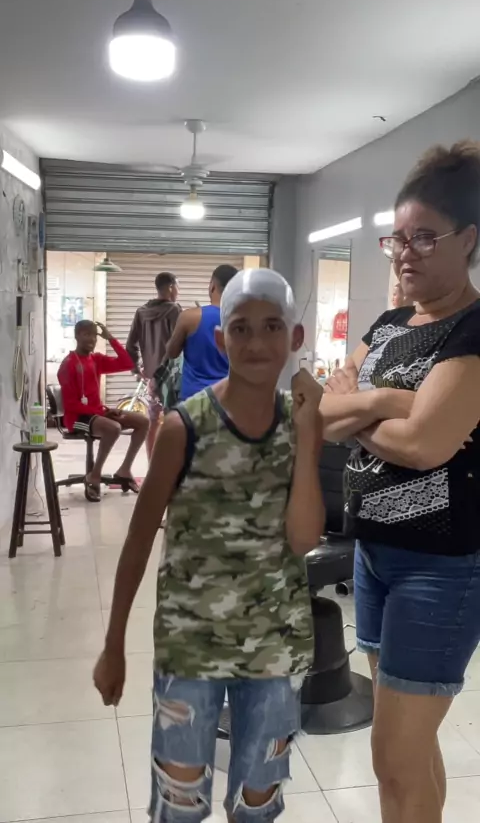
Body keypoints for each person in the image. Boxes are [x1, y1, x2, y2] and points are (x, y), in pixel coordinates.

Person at [93, 268, 324, 823]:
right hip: (190, 644)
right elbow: (138, 539)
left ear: (295, 336)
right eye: (241, 329)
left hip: (276, 645)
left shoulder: (301, 426)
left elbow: (302, 537)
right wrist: (113, 642)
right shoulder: (184, 428)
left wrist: (309, 433)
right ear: (221, 339)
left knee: (258, 803)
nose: (256, 342)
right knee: (179, 804)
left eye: (272, 327)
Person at [320, 141, 480, 823]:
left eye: (424, 238)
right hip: (373, 556)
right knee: (412, 753)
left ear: (468, 239)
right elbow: (324, 412)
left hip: (439, 568)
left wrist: (365, 406)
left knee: (393, 759)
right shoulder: (389, 324)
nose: (404, 254)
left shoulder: (473, 329)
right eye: (398, 239)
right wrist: (389, 403)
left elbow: (424, 446)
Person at [58, 320, 149, 502]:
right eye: (86, 334)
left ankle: (124, 470)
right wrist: (102, 413)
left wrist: (111, 339)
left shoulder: (96, 360)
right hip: (76, 418)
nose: (91, 339)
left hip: (97, 413)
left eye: (94, 335)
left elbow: (127, 363)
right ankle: (94, 475)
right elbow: (71, 405)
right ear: (76, 336)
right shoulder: (68, 364)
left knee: (143, 421)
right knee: (113, 428)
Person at [126, 272, 181, 458]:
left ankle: (152, 466)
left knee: (153, 421)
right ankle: (170, 466)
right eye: (178, 287)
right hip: (172, 378)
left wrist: (136, 369)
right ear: (171, 287)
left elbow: (130, 345)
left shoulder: (141, 312)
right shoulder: (174, 310)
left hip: (152, 378)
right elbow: (178, 345)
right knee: (174, 421)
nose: (178, 291)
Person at [165, 264, 238, 399]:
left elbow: (171, 352)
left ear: (212, 286)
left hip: (194, 399)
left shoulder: (189, 317)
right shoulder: (244, 321)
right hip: (229, 398)